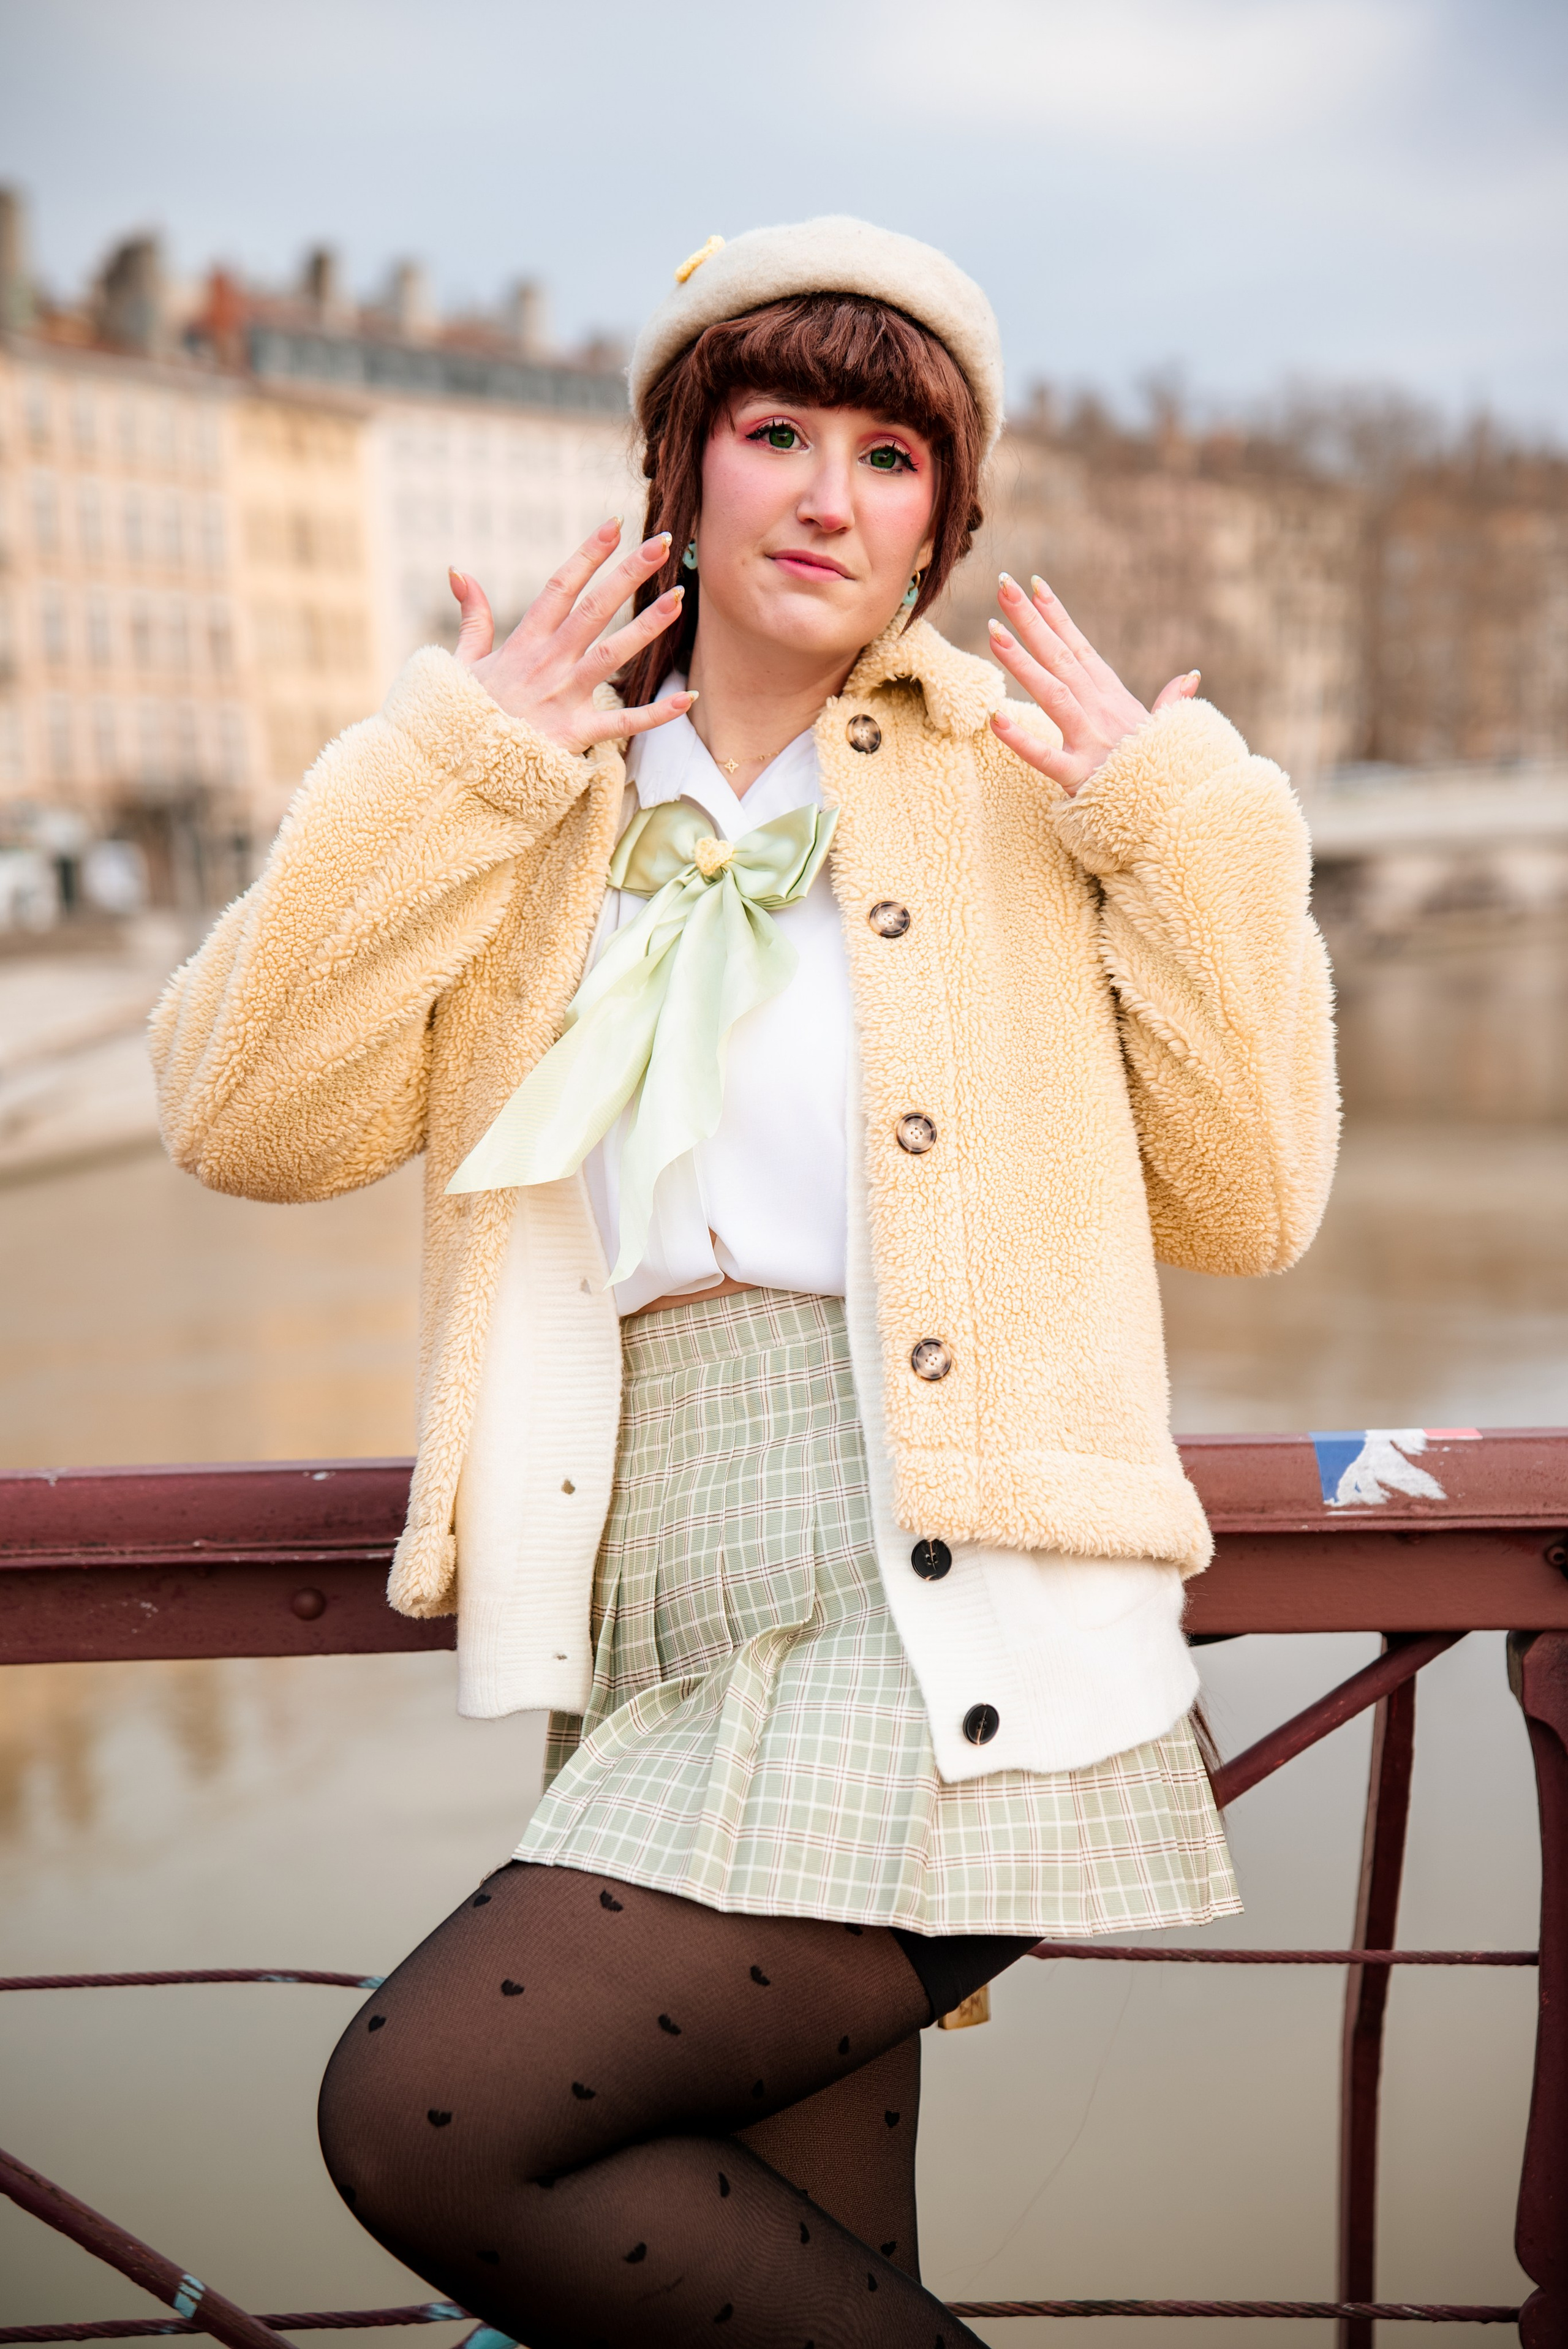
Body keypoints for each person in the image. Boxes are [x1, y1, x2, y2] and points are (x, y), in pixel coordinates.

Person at [153, 216, 1338, 2347]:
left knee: (430, 2112)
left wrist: (1187, 827)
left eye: (889, 457)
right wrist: (452, 761)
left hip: (934, 1607)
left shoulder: (1020, 791)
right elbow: (254, 1120)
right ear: (678, 468)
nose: (823, 492)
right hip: (660, 1615)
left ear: (942, 526)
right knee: (811, 2288)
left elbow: (1252, 1198)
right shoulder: (536, 797)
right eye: (774, 429)